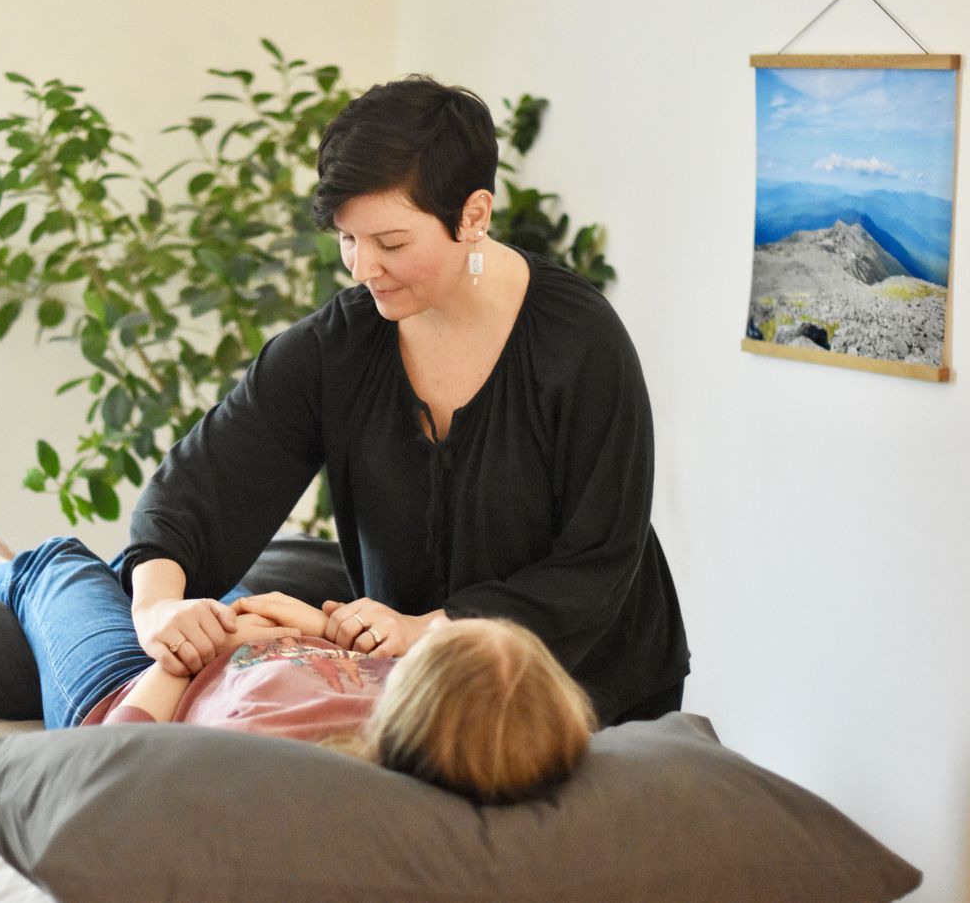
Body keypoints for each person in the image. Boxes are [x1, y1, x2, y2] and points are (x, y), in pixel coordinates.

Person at [118, 75, 690, 726]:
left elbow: (596, 564)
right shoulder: (341, 346)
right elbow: (201, 480)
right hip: (423, 692)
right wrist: (159, 608)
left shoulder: (579, 344)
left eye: (390, 243)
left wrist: (427, 629)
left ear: (473, 215)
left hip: (589, 687)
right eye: (347, 240)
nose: (362, 269)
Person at [0, 514, 596, 804]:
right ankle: (142, 589)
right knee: (204, 571)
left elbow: (111, 756)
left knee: (61, 561)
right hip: (248, 635)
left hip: (145, 683)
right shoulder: (417, 710)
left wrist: (188, 655)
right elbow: (370, 651)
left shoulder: (282, 758)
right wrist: (308, 625)